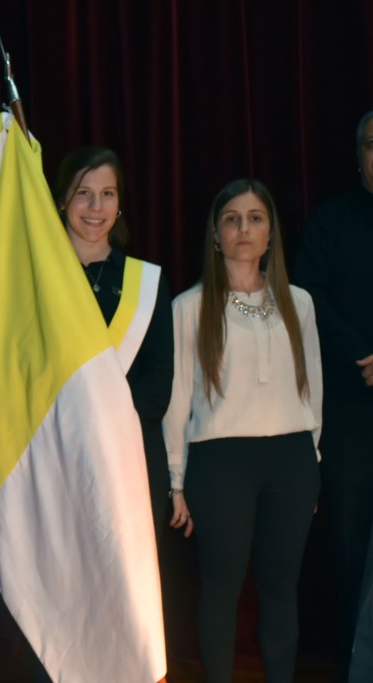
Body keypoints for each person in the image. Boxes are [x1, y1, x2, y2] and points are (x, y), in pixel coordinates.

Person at [162, 179, 322, 683]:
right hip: (220, 465)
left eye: (255, 217)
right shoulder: (190, 307)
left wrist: (311, 463)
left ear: (271, 231)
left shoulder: (299, 303)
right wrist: (176, 480)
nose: (244, 228)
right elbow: (176, 403)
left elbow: (312, 388)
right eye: (232, 218)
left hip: (291, 462)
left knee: (280, 590)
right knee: (221, 589)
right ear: (215, 235)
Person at [53, 146, 173, 540]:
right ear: (62, 200)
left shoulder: (146, 282)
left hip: (130, 452)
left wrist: (108, 426)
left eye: (108, 193)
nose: (95, 206)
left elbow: (158, 380)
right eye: (83, 192)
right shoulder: (38, 280)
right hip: (55, 452)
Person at [293, 110, 373, 681]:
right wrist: (364, 355)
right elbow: (308, 296)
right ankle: (356, 660)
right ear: (359, 154)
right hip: (350, 406)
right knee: (351, 539)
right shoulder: (330, 222)